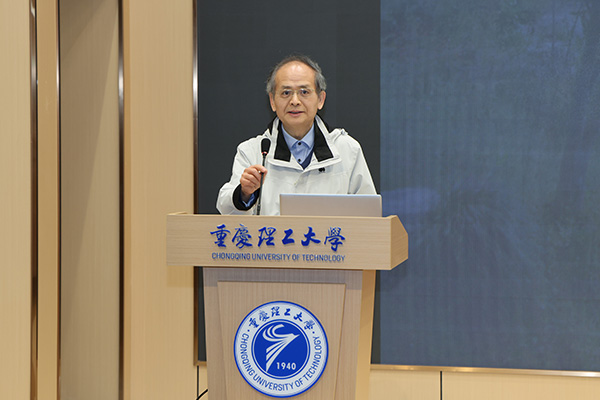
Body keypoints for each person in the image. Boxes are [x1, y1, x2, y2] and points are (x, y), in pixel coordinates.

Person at [216, 54, 376, 215]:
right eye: (286, 93)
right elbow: (226, 210)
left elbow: (369, 214)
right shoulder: (252, 151)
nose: (295, 101)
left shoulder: (347, 149)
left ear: (320, 99)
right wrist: (244, 193)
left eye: (304, 92)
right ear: (272, 101)